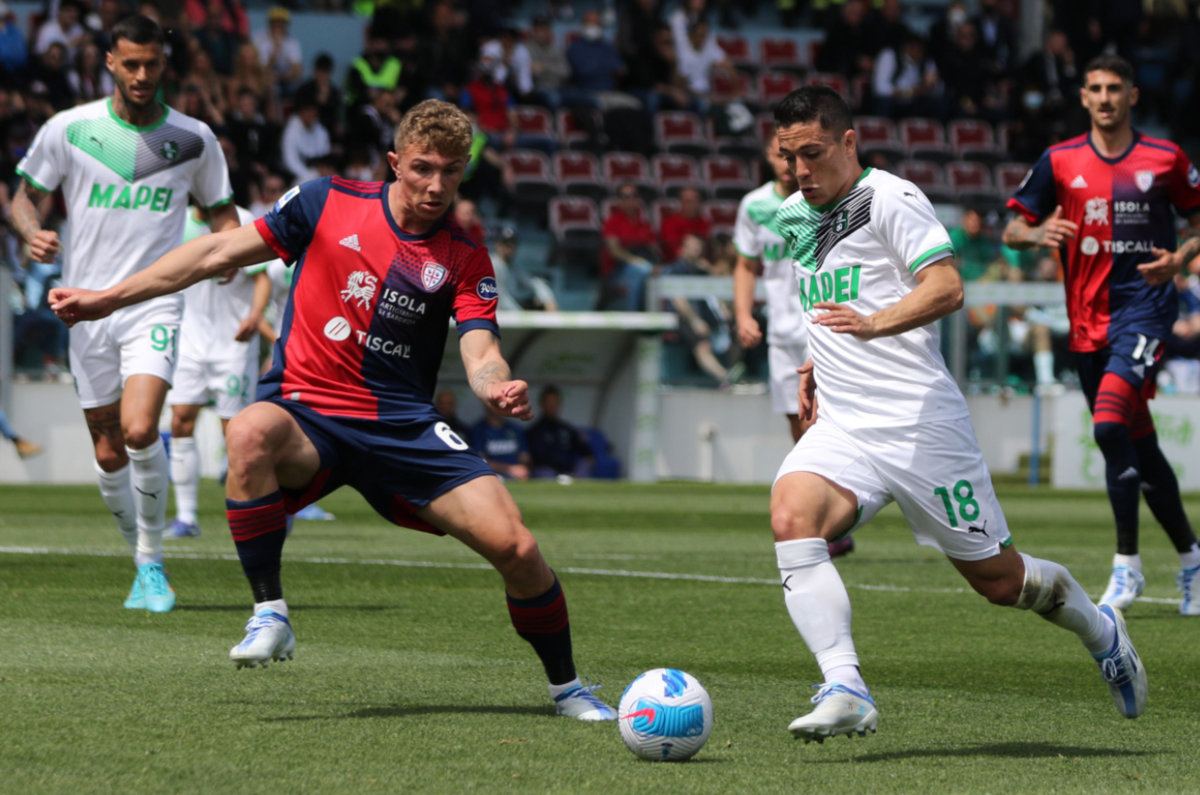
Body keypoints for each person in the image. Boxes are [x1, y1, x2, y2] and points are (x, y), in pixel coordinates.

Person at [49, 100, 617, 723]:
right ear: (395, 162)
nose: (435, 185)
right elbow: (216, 254)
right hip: (307, 412)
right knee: (248, 430)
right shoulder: (325, 201)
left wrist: (494, 386)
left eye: (451, 172)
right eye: (423, 168)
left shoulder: (464, 258)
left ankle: (568, 688)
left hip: (402, 424)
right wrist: (108, 299)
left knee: (517, 547)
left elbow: (482, 348)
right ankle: (271, 613)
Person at [768, 86, 1146, 741]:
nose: (801, 170)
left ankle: (1101, 627)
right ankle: (845, 685)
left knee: (1000, 581)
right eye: (788, 155)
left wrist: (872, 325)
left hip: (920, 427)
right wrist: (815, 359)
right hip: (845, 424)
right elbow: (832, 300)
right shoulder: (793, 215)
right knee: (790, 514)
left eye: (813, 153)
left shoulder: (891, 198)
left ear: (848, 142)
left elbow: (946, 286)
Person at [11, 15, 237, 612]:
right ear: (109, 61)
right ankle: (137, 550)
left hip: (152, 301)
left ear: (165, 64)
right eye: (130, 63)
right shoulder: (70, 129)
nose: (141, 75)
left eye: (152, 64)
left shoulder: (194, 138)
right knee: (108, 450)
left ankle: (151, 564)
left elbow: (222, 215)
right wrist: (32, 232)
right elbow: (22, 198)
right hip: (81, 308)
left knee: (140, 430)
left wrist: (228, 256)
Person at [1003, 54, 1200, 616]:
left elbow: (1198, 220)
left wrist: (1180, 259)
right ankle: (1192, 560)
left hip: (1145, 311)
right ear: (1084, 97)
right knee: (1140, 445)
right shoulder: (1059, 160)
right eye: (1096, 88)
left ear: (1133, 95)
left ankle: (1127, 565)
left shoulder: (1165, 158)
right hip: (1087, 322)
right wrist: (1037, 232)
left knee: (1109, 422)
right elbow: (1013, 228)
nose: (1106, 97)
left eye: (1116, 88)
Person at [166, 205, 274, 538]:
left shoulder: (242, 219)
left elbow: (262, 279)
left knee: (237, 434)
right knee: (181, 420)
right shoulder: (176, 219)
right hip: (190, 340)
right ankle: (186, 517)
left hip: (233, 343)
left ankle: (254, 512)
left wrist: (255, 316)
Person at [601, 183, 658, 311]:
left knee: (662, 272)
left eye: (633, 195)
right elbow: (614, 251)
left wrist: (656, 265)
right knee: (641, 270)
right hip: (617, 272)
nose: (630, 199)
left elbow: (655, 250)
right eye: (625, 196)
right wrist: (636, 261)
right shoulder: (612, 222)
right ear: (619, 200)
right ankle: (634, 318)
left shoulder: (645, 225)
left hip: (646, 265)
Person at [528, 385, 593, 480]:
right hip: (546, 473)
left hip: (569, 471)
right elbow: (529, 459)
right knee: (545, 473)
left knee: (583, 466)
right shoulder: (533, 431)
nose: (552, 405)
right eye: (549, 402)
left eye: (555, 402)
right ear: (542, 404)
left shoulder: (566, 428)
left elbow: (586, 453)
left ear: (559, 404)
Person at [252, 7, 303, 100]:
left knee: (299, 88)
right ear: (270, 23)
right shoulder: (258, 39)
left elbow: (296, 72)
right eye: (276, 22)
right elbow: (262, 70)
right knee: (271, 87)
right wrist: (275, 51)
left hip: (284, 79)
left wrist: (279, 78)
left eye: (282, 23)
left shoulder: (292, 43)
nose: (279, 26)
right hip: (263, 79)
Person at [472, 403, 531, 480]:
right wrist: (509, 469)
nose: (496, 408)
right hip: (491, 473)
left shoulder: (514, 429)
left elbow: (525, 457)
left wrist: (522, 468)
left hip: (517, 473)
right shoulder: (478, 430)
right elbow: (480, 462)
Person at [280, 100, 331, 184]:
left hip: (321, 172)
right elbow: (290, 161)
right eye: (307, 110)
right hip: (299, 176)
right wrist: (309, 175)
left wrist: (322, 172)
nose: (309, 114)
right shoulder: (290, 131)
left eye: (312, 110)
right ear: (300, 112)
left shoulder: (321, 130)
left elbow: (325, 156)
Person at [660, 186, 709, 263]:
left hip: (701, 264)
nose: (690, 205)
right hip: (676, 266)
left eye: (693, 201)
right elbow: (673, 251)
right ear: (680, 202)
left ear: (699, 202)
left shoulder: (704, 222)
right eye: (687, 201)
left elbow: (706, 249)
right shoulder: (670, 222)